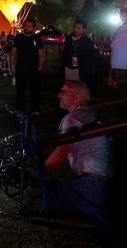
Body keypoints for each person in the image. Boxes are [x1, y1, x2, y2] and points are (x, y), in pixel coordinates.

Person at [43, 81, 115, 219]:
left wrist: (40, 169)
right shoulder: (88, 116)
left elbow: (58, 158)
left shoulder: (72, 119)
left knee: (47, 198)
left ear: (77, 98)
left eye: (63, 92)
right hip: (106, 187)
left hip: (92, 188)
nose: (58, 95)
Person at [10, 18, 45, 112]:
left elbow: (41, 54)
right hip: (21, 68)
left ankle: (35, 109)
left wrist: (40, 66)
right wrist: (12, 66)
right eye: (25, 26)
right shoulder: (18, 37)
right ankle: (20, 109)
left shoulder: (37, 39)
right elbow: (13, 53)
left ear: (33, 28)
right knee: (20, 90)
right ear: (23, 27)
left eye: (29, 26)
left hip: (34, 69)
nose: (27, 28)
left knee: (35, 91)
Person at [61, 19, 103, 94]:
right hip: (69, 67)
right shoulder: (69, 39)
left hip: (82, 68)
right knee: (70, 87)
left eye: (79, 28)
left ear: (84, 29)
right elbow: (65, 52)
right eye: (75, 27)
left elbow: (94, 55)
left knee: (81, 89)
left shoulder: (88, 42)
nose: (76, 30)